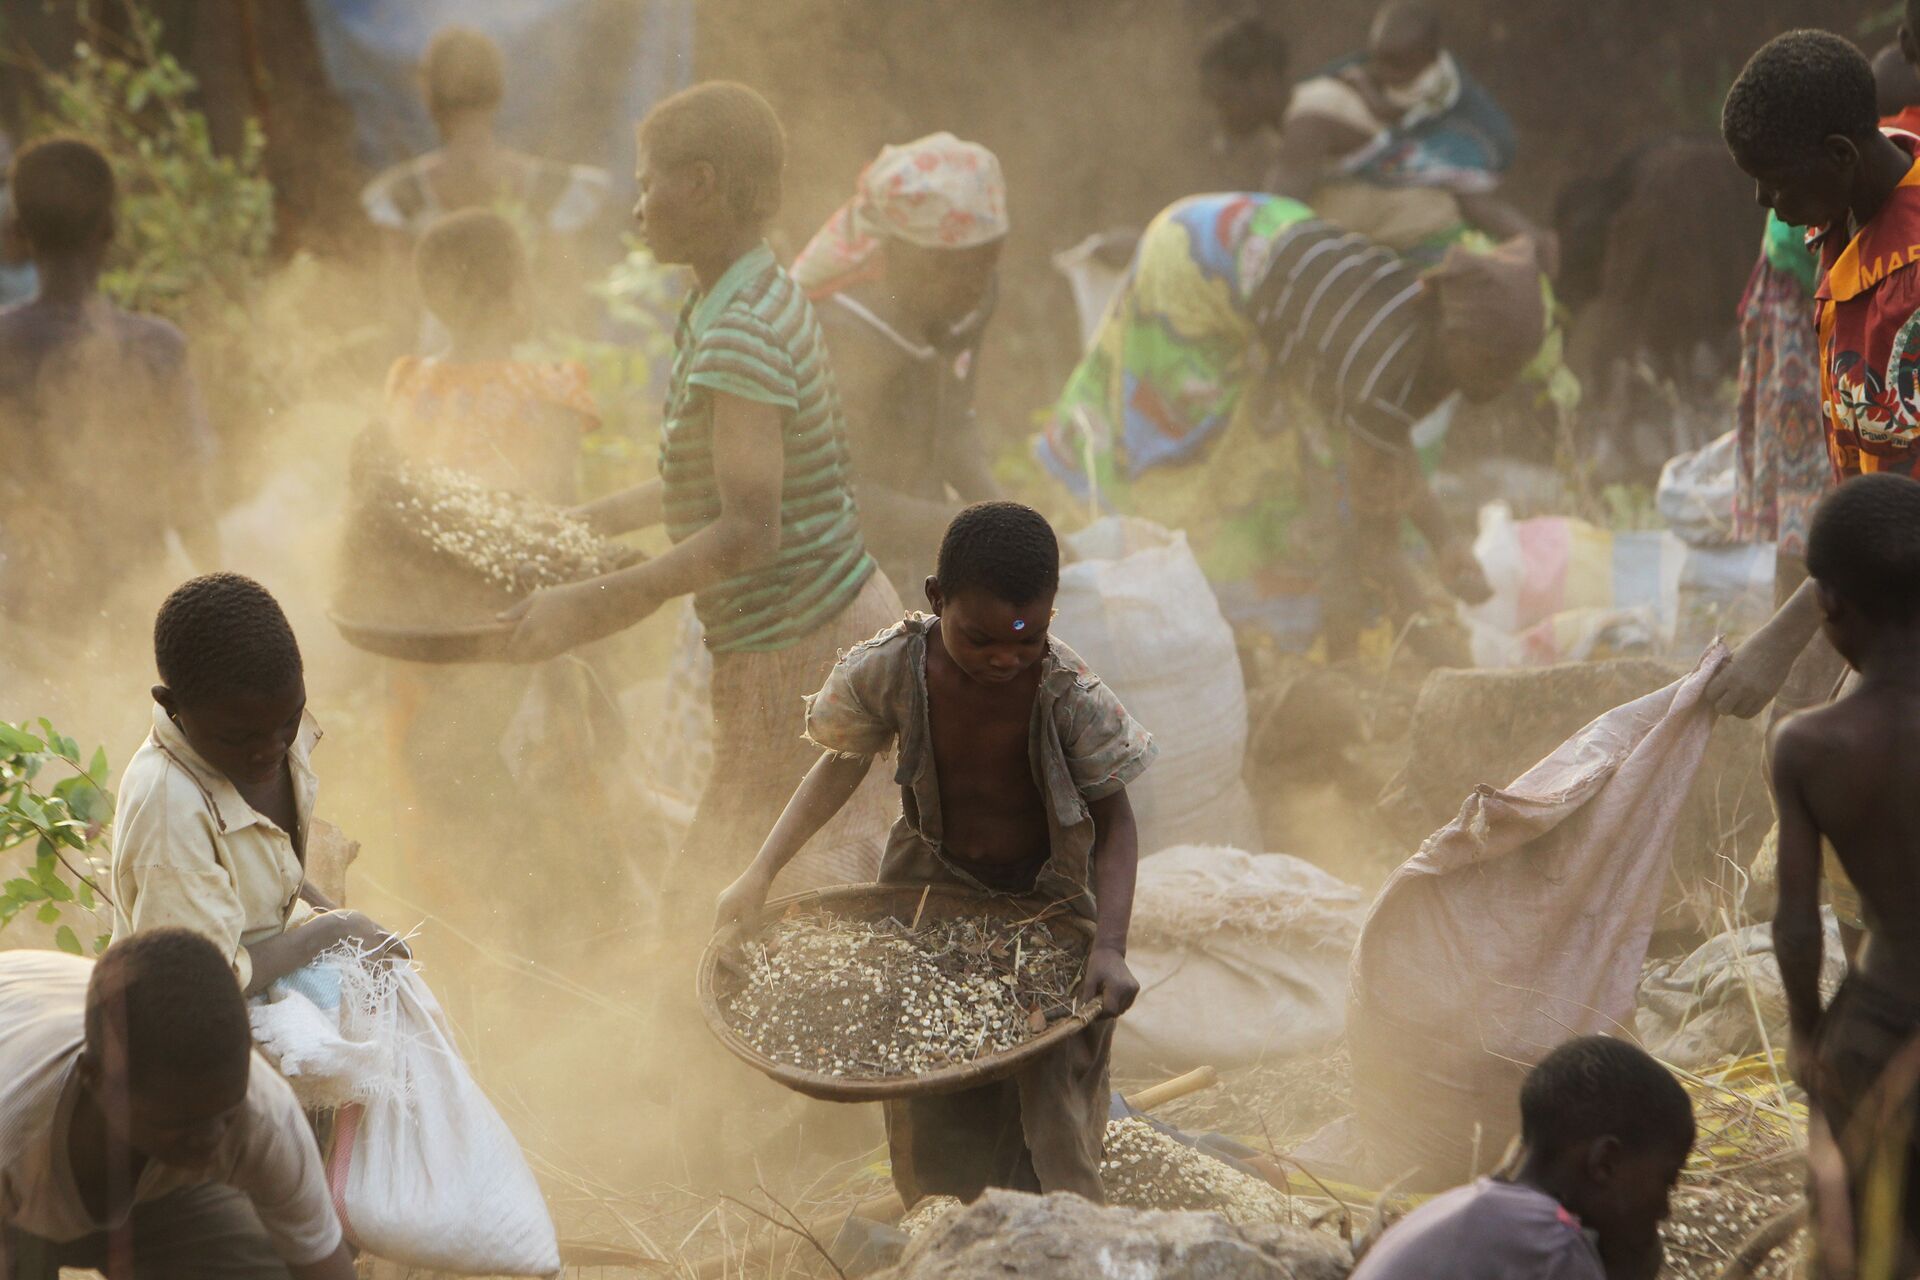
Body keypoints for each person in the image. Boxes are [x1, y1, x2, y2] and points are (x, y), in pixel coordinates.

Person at [502, 82, 900, 899]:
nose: (639, 205)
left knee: (727, 903)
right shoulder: (740, 292)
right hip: (820, 624)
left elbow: (751, 530)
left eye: (650, 183)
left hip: (802, 650)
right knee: (757, 891)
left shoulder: (739, 332)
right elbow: (713, 479)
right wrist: (588, 522)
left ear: (704, 183)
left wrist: (598, 603)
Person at [713, 501, 1155, 1204]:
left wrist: (1109, 946)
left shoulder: (1069, 696)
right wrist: (759, 872)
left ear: (1049, 615)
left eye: (1029, 638)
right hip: (926, 889)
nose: (1006, 659)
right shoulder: (892, 670)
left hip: (1044, 907)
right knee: (925, 1086)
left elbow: (1118, 823)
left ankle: (1066, 1227)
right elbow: (838, 764)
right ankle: (939, 1220)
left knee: (1058, 1113)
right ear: (935, 598)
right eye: (980, 640)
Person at [1037, 193, 1541, 655]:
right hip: (1197, 258)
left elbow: (1387, 449)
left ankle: (1258, 608)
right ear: (1458, 337)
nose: (1501, 384)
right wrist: (1449, 664)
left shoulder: (1416, 317)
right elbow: (1379, 548)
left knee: (1302, 464)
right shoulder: (1382, 363)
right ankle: (1173, 611)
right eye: (1497, 365)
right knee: (1186, 458)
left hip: (1264, 228)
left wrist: (1445, 541)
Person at [1709, 31, 1920, 721]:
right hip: (1882, 565)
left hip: (1898, 554)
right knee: (1798, 737)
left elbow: (1906, 488)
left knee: (1834, 756)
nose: (1766, 201)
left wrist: (1787, 631)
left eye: (1776, 180)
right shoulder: (1850, 213)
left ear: (1838, 156)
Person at [109, 573, 406, 997]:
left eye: (290, 720)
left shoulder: (266, 726)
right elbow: (199, 987)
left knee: (402, 999)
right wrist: (329, 933)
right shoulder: (168, 810)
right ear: (173, 706)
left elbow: (267, 869)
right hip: (195, 1021)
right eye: (239, 737)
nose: (270, 749)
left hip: (264, 973)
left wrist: (336, 916)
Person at [0, 929, 354, 1279]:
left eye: (226, 1115)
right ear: (95, 1080)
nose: (212, 1138)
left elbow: (322, 1265)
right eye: (184, 1123)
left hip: (148, 1191)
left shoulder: (262, 1115)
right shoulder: (12, 1124)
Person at [1772, 473, 1920, 1272]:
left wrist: (1804, 1030)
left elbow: (1798, 926)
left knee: (1859, 1241)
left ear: (1827, 604)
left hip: (1877, 1027)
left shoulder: (1810, 744)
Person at [0, 136, 218, 625]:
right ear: (111, 227)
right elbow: (191, 504)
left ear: (17, 231)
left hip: (29, 616)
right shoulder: (158, 349)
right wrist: (228, 620)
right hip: (139, 613)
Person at [790, 133, 1007, 591]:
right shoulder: (842, 331)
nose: (976, 283)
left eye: (990, 260)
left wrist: (1007, 518)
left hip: (915, 541)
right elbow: (820, 498)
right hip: (820, 577)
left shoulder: (966, 299)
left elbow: (951, 418)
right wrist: (964, 525)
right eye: (956, 265)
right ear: (895, 252)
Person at [1350, 1036, 1694, 1280]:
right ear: (1605, 1163)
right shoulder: (1552, 1247)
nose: (1664, 1209)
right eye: (1667, 1181)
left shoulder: (1460, 1210)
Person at [360, 26, 614, 348]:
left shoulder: (402, 196)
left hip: (441, 371)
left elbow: (398, 308)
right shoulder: (550, 190)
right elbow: (567, 296)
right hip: (527, 366)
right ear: (497, 88)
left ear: (429, 94)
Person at [1264, 1, 1542, 264]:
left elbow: (1395, 115)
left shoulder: (1434, 85)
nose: (1384, 71)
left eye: (1396, 64)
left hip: (1447, 151)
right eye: (1378, 59)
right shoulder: (1390, 67)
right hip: (1410, 143)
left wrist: (1366, 89)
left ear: (1428, 57)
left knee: (1473, 204)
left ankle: (1534, 242)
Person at [388, 209, 599, 505]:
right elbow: (562, 505)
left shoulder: (410, 381)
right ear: (516, 292)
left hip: (429, 547)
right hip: (517, 547)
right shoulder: (548, 389)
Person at [1196, 17, 1295, 189]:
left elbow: (1278, 212)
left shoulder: (1308, 123)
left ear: (1262, 78)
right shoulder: (1283, 139)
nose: (1222, 115)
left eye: (1226, 99)